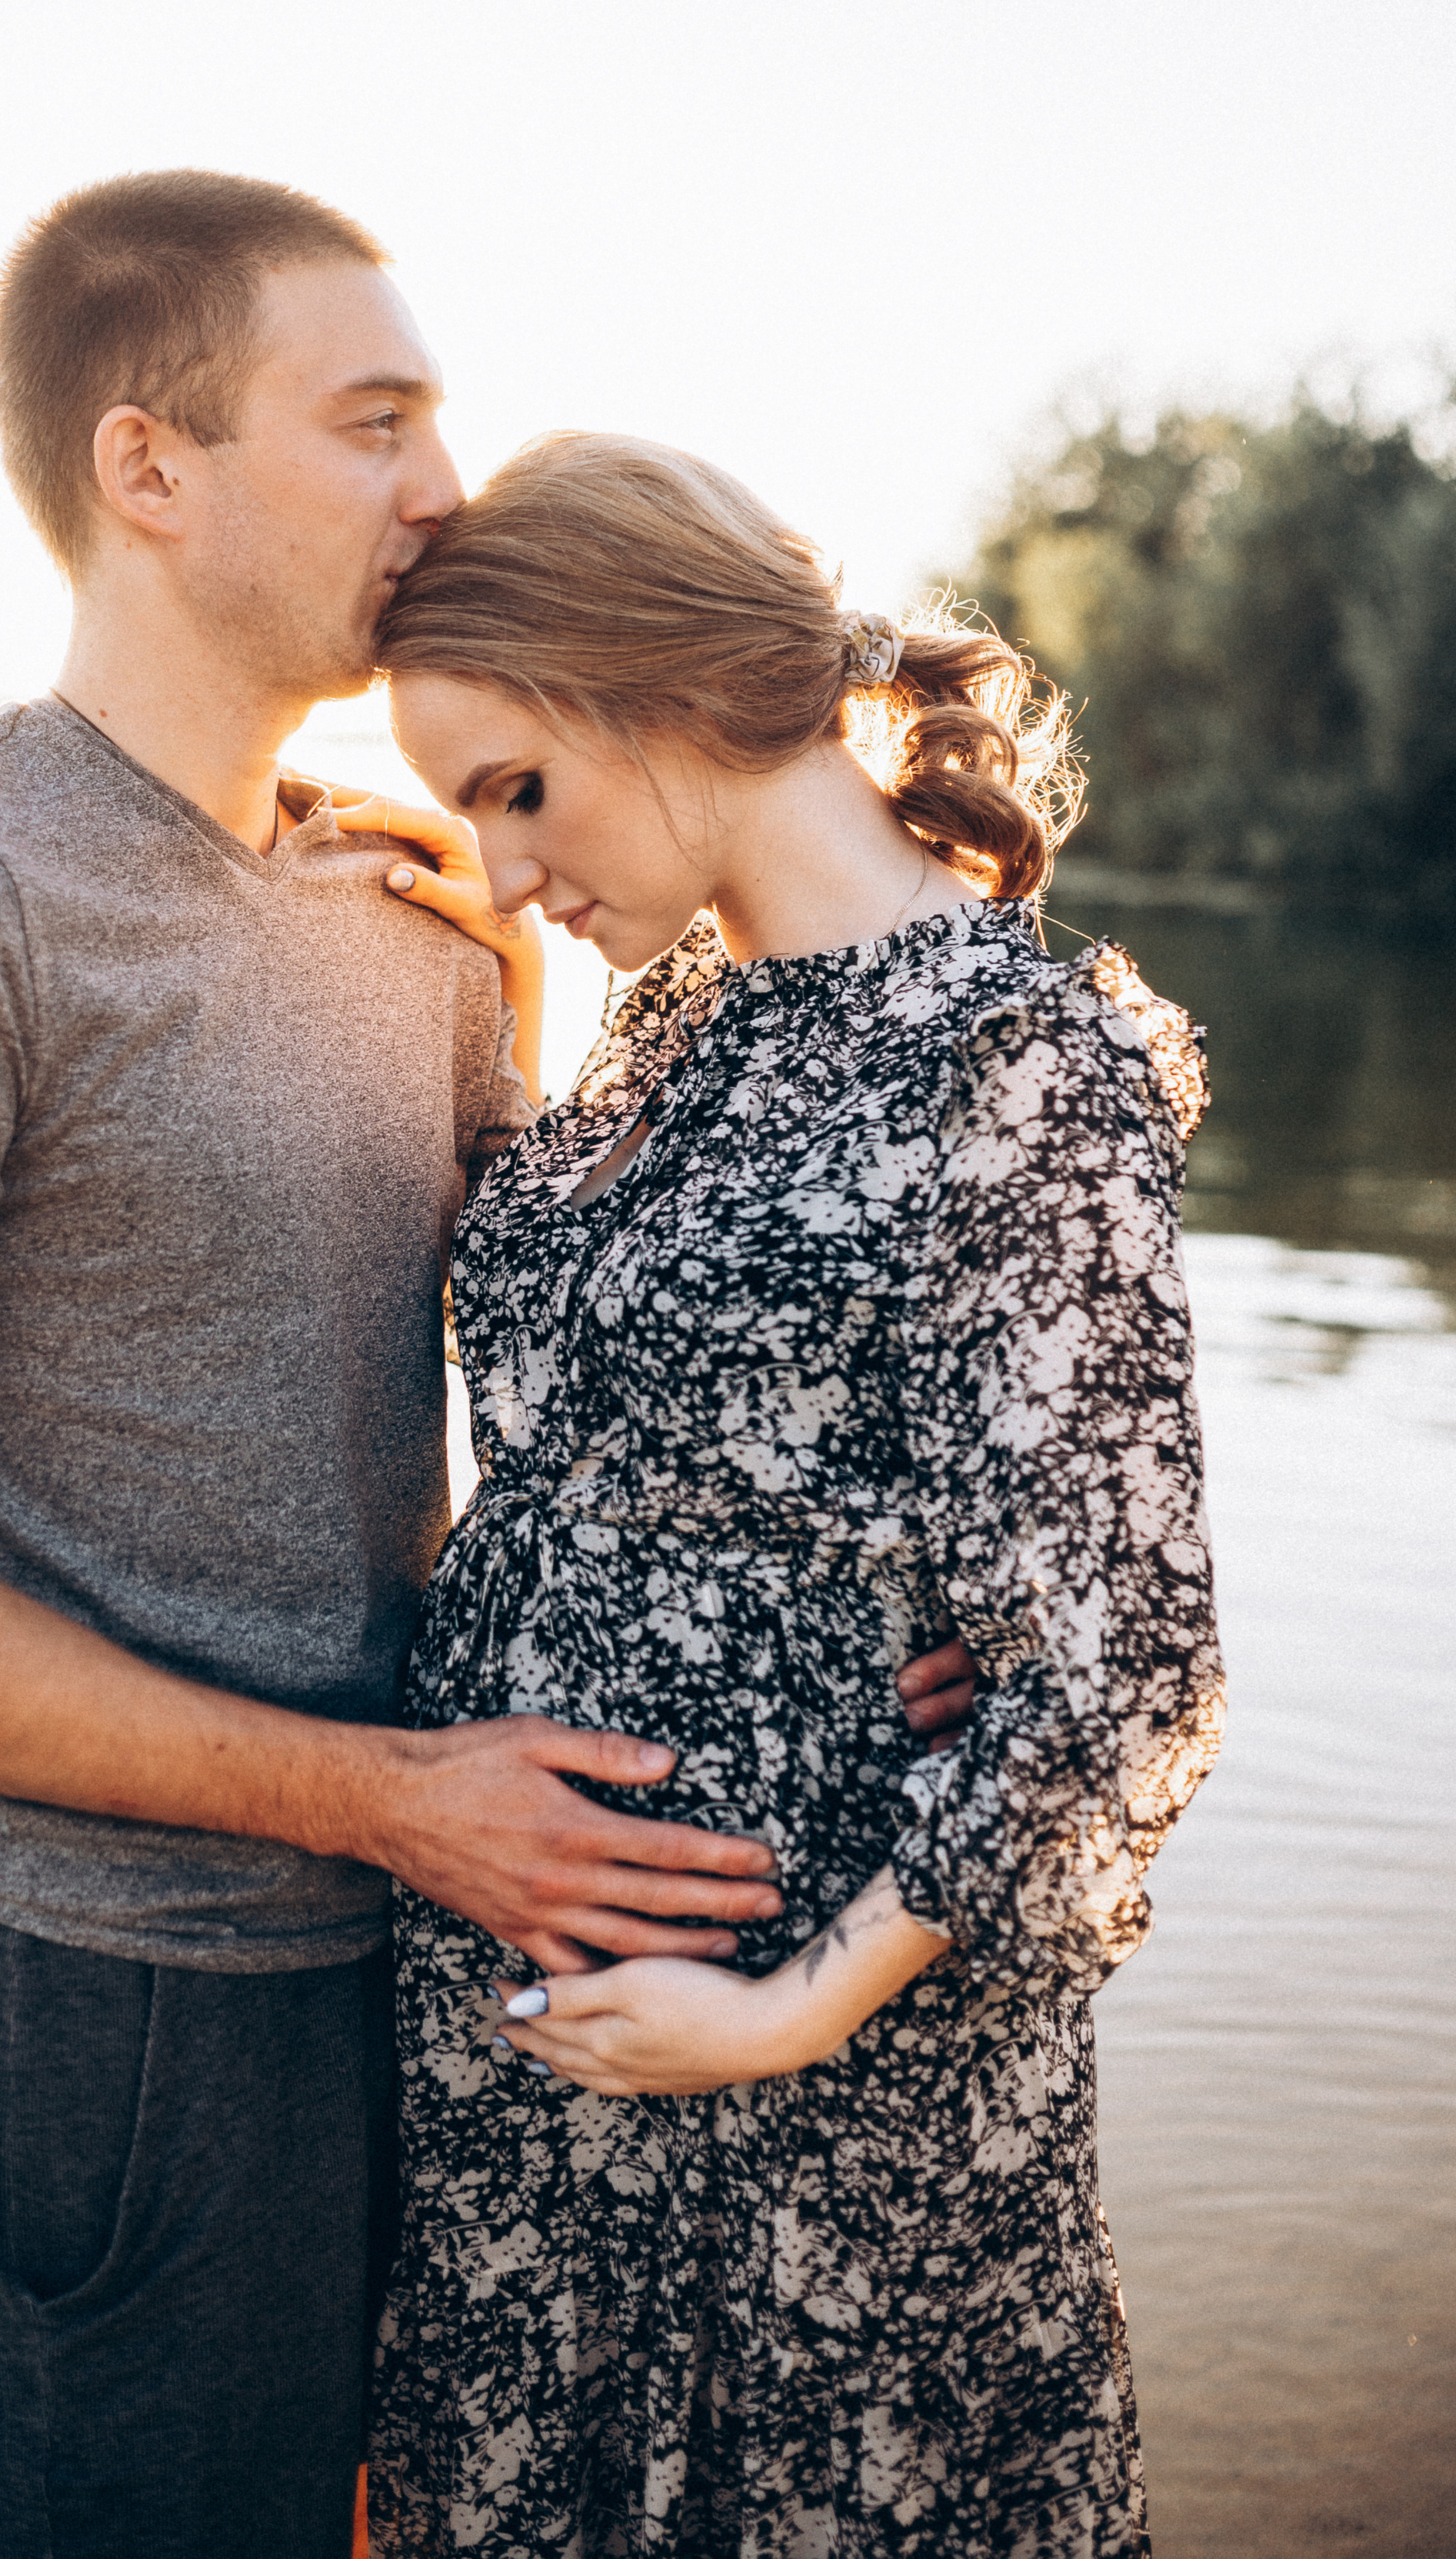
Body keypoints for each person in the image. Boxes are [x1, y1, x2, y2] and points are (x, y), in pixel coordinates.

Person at [0, 179, 976, 2559]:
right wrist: (390, 1800)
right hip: (87, 2004)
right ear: (147, 468)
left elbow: (609, 1408)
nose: (445, 488)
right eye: (373, 420)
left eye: (440, 419)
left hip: (435, 1967)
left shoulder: (424, 924)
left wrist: (877, 1618)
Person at [355, 432, 1226, 2557]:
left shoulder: (1011, 1059)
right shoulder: (675, 1018)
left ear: (657, 682)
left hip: (812, 2086)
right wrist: (454, 954)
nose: (499, 852)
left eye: (516, 790)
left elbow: (1122, 1668)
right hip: (537, 2066)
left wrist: (781, 2012)